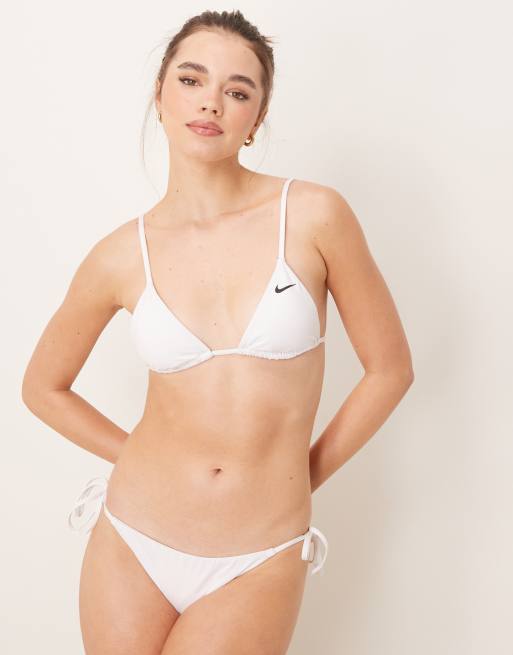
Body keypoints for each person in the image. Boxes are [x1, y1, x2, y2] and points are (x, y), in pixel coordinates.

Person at [21, 9, 414, 655]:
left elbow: (390, 370)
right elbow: (42, 387)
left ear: (257, 117)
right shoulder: (120, 254)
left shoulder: (313, 215)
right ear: (160, 95)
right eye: (191, 79)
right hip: (133, 536)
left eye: (238, 90)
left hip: (259, 549)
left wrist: (298, 477)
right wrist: (137, 458)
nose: (211, 101)